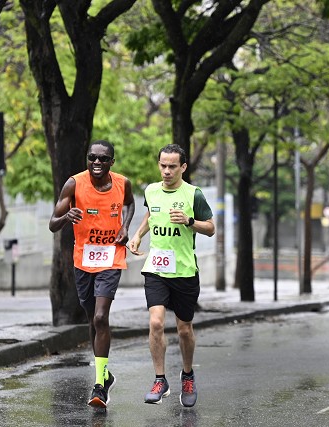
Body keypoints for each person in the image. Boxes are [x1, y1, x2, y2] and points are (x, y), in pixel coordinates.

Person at [48, 140, 135, 409]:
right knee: (91, 319)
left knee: (100, 316)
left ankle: (99, 386)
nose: (97, 163)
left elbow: (130, 205)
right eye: (92, 158)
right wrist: (66, 217)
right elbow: (52, 223)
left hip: (111, 257)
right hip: (83, 261)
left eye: (103, 159)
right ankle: (105, 374)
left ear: (112, 161)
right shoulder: (74, 184)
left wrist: (125, 226)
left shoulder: (123, 183)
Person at [128, 144, 215, 408]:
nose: (166, 171)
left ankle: (187, 375)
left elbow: (210, 228)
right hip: (156, 268)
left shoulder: (194, 195)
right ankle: (160, 379)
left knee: (184, 329)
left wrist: (190, 221)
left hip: (184, 271)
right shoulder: (151, 191)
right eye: (163, 165)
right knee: (155, 322)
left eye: (172, 166)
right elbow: (151, 213)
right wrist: (138, 234)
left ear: (183, 167)